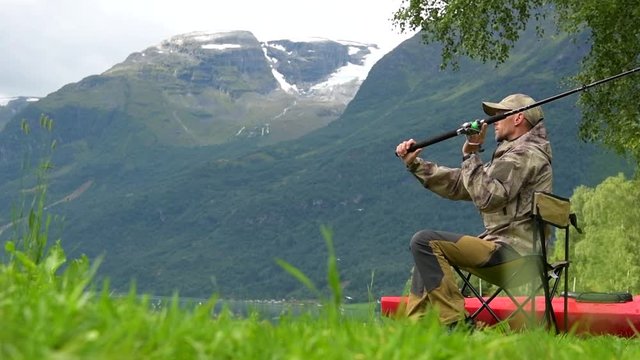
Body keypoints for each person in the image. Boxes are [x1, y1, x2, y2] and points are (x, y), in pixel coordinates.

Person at [394, 93, 552, 326]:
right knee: (425, 249)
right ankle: (415, 330)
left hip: (515, 256)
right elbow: (461, 184)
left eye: (499, 114)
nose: (494, 121)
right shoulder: (511, 155)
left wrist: (470, 153)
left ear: (518, 118)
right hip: (504, 250)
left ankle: (455, 324)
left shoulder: (526, 155)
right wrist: (415, 164)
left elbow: (488, 198)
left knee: (425, 242)